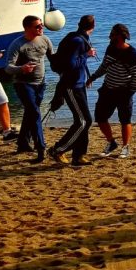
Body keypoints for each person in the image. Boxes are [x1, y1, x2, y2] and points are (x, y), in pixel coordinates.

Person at [87, 23, 136, 159]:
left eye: (112, 34)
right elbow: (104, 66)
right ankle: (111, 142)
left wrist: (130, 92)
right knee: (100, 117)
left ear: (119, 36)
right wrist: (92, 78)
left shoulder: (132, 54)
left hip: (124, 92)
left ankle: (125, 147)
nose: (110, 36)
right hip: (108, 89)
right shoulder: (111, 48)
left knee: (125, 120)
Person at [49, 15, 97, 166]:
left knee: (83, 120)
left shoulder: (78, 37)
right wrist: (86, 55)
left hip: (78, 84)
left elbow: (77, 62)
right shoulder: (77, 41)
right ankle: (58, 149)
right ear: (93, 27)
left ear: (79, 24)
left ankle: (79, 155)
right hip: (71, 85)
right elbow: (71, 64)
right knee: (84, 121)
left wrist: (87, 77)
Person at [4, 15, 53, 161]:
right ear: (27, 28)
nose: (41, 28)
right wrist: (22, 68)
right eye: (37, 26)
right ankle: (41, 147)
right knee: (35, 113)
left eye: (41, 25)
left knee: (31, 113)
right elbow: (8, 67)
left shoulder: (45, 40)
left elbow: (54, 59)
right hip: (23, 84)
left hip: (41, 84)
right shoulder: (18, 44)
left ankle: (23, 143)